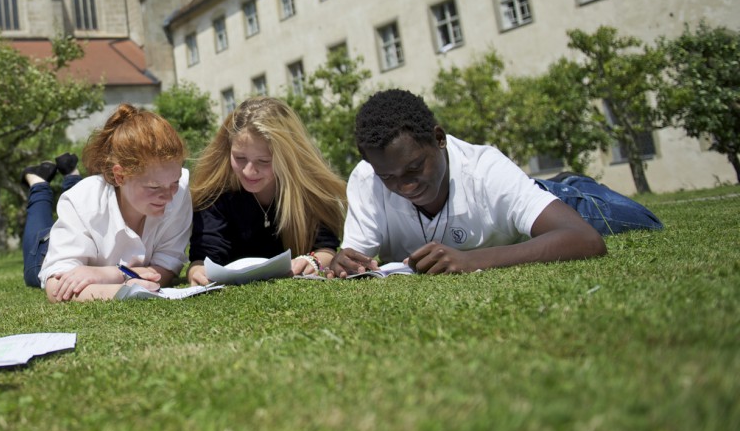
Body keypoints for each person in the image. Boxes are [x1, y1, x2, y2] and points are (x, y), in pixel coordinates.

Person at [330, 89, 661, 277]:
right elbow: (357, 254)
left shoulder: (485, 170)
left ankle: (569, 183)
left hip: (563, 201)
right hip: (516, 198)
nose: (405, 186)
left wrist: (472, 259)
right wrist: (345, 262)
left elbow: (585, 240)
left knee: (647, 223)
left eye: (415, 168)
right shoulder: (367, 178)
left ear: (439, 139)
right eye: (389, 177)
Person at [35, 104, 193, 302]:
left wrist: (111, 275)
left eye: (174, 183)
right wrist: (124, 288)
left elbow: (168, 266)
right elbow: (56, 286)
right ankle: (37, 184)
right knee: (37, 237)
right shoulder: (80, 202)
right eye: (154, 187)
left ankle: (70, 175)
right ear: (120, 176)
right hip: (44, 250)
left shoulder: (181, 188)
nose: (169, 197)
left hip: (94, 258)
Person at [187, 97, 346, 285]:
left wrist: (313, 261)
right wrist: (197, 270)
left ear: (287, 157)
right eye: (239, 158)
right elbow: (204, 257)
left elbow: (326, 248)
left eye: (263, 161)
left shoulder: (311, 191)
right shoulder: (215, 192)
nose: (248, 171)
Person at [21, 152, 81, 287]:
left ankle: (70, 173)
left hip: (53, 253)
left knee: (79, 218)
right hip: (56, 256)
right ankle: (40, 183)